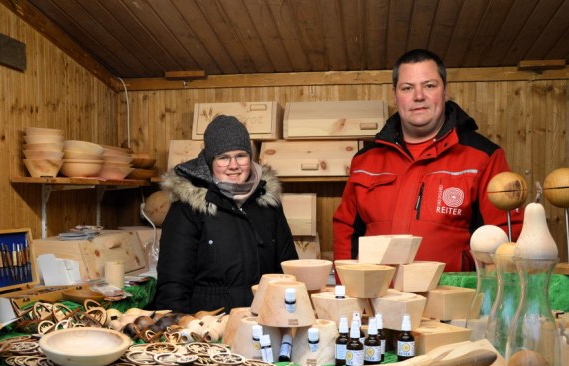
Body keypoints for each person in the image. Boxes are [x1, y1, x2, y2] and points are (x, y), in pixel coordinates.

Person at [333, 49, 522, 272]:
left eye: (429, 85)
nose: (419, 96)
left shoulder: (484, 157)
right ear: (395, 95)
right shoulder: (365, 161)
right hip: (378, 298)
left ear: (445, 91)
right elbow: (346, 231)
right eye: (407, 88)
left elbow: (507, 239)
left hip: (455, 298)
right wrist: (346, 290)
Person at [154, 115, 298, 313]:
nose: (233, 165)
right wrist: (178, 328)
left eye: (241, 155)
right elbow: (173, 283)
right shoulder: (188, 208)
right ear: (209, 161)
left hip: (264, 318)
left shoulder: (267, 202)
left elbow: (288, 268)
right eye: (223, 157)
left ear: (250, 157)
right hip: (210, 326)